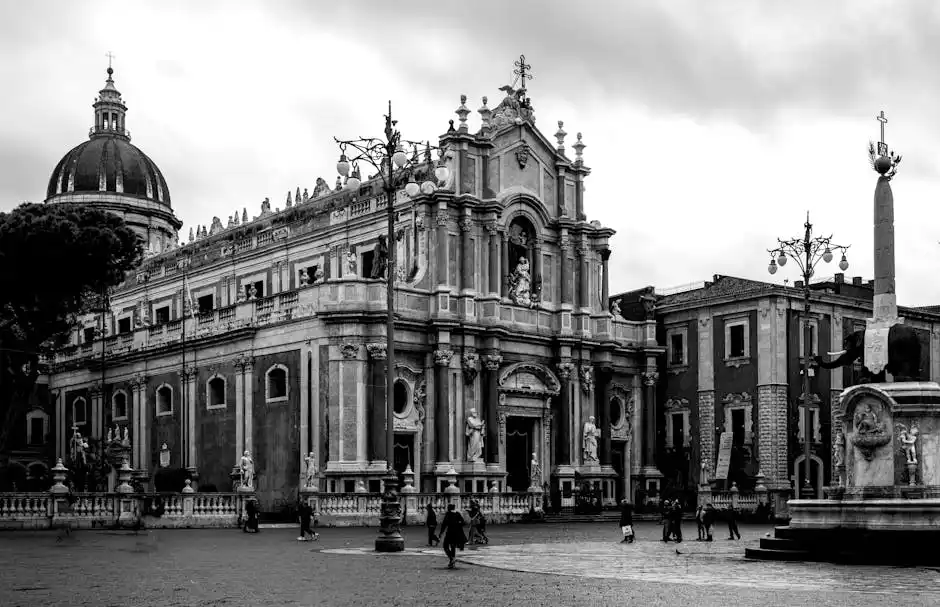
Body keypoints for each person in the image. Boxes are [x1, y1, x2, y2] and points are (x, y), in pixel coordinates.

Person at [439, 503, 467, 569]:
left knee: (445, 546)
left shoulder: (448, 514)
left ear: (449, 508)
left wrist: (441, 533)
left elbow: (444, 524)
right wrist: (458, 523)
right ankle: (452, 561)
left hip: (450, 533)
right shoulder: (457, 514)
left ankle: (451, 559)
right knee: (453, 546)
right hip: (457, 533)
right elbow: (463, 522)